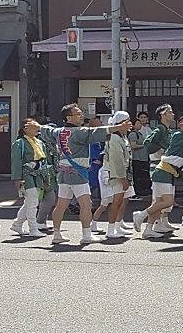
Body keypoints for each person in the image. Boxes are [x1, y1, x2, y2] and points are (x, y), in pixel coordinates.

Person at [36, 105, 131, 245]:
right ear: (68, 117)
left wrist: (37, 125)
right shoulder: (80, 132)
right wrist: (117, 127)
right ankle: (86, 234)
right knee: (86, 205)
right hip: (78, 174)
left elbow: (46, 130)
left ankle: (57, 234)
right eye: (78, 114)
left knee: (61, 205)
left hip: (63, 173)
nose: (81, 116)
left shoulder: (58, 131)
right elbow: (96, 132)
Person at [134, 111, 183, 239]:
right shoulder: (178, 134)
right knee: (167, 202)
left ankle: (149, 229)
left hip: (167, 172)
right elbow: (148, 143)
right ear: (181, 125)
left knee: (159, 203)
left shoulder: (177, 134)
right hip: (163, 170)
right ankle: (141, 215)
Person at [92, 111, 131, 239]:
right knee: (114, 202)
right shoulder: (115, 138)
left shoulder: (121, 137)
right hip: (114, 174)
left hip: (118, 173)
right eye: (127, 121)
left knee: (119, 201)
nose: (129, 123)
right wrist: (123, 178)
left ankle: (115, 227)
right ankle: (110, 229)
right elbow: (117, 161)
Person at [9, 118, 51, 237]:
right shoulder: (20, 143)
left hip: (38, 175)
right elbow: (16, 161)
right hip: (26, 175)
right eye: (33, 127)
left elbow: (44, 161)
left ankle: (17, 224)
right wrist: (17, 178)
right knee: (32, 202)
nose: (37, 129)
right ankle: (33, 228)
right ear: (25, 129)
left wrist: (46, 177)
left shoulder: (39, 143)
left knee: (30, 202)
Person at [128, 111, 151, 198]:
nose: (140, 124)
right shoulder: (134, 134)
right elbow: (133, 145)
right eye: (137, 123)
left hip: (144, 157)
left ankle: (143, 190)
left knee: (142, 175)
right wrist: (143, 145)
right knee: (137, 175)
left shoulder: (142, 132)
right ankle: (137, 191)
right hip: (137, 158)